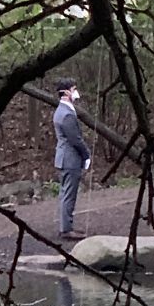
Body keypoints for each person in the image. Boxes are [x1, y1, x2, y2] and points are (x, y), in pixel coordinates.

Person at [53, 77, 91, 240]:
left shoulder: (62, 111)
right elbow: (75, 139)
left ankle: (66, 226)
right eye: (74, 89)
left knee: (65, 193)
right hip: (70, 159)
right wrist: (86, 154)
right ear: (67, 92)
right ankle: (66, 229)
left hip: (65, 158)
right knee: (69, 194)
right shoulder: (66, 114)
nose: (76, 92)